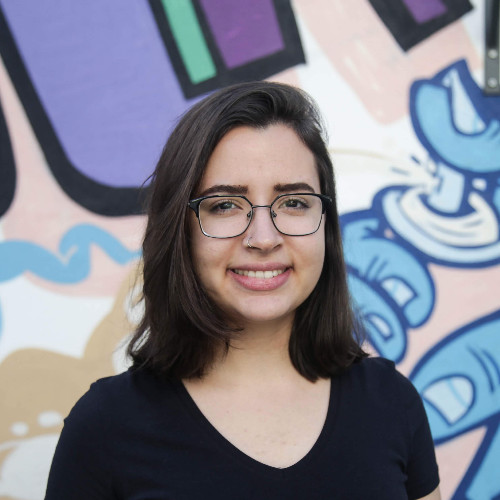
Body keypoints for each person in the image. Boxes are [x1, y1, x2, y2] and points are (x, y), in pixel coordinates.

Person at [45, 81, 440, 499]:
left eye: (294, 202)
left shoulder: (391, 402)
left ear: (325, 223)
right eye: (225, 205)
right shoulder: (106, 427)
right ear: (180, 231)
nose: (264, 238)